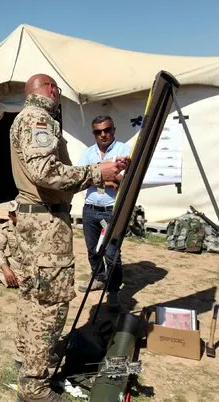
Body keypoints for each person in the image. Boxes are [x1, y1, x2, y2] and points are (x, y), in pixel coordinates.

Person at [9, 74, 127, 402]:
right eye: (57, 90)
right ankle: (34, 385)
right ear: (51, 90)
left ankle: (27, 356)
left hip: (35, 220)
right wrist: (94, 173)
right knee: (51, 303)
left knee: (34, 297)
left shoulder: (25, 119)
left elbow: (46, 174)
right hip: (46, 224)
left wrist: (100, 177)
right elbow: (45, 172)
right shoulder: (39, 119)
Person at [77, 115, 131, 311]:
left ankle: (114, 290)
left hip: (112, 211)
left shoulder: (123, 150)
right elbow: (80, 178)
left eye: (107, 130)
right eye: (98, 132)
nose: (103, 134)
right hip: (90, 208)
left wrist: (96, 174)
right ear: (94, 134)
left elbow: (124, 178)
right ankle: (98, 277)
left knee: (112, 253)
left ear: (113, 130)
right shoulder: (88, 153)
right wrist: (107, 179)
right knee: (93, 250)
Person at [0, 201, 24, 288]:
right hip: (16, 263)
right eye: (15, 214)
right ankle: (18, 280)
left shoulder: (33, 226)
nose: (19, 215)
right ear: (10, 216)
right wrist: (5, 268)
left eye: (20, 212)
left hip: (31, 264)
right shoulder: (6, 227)